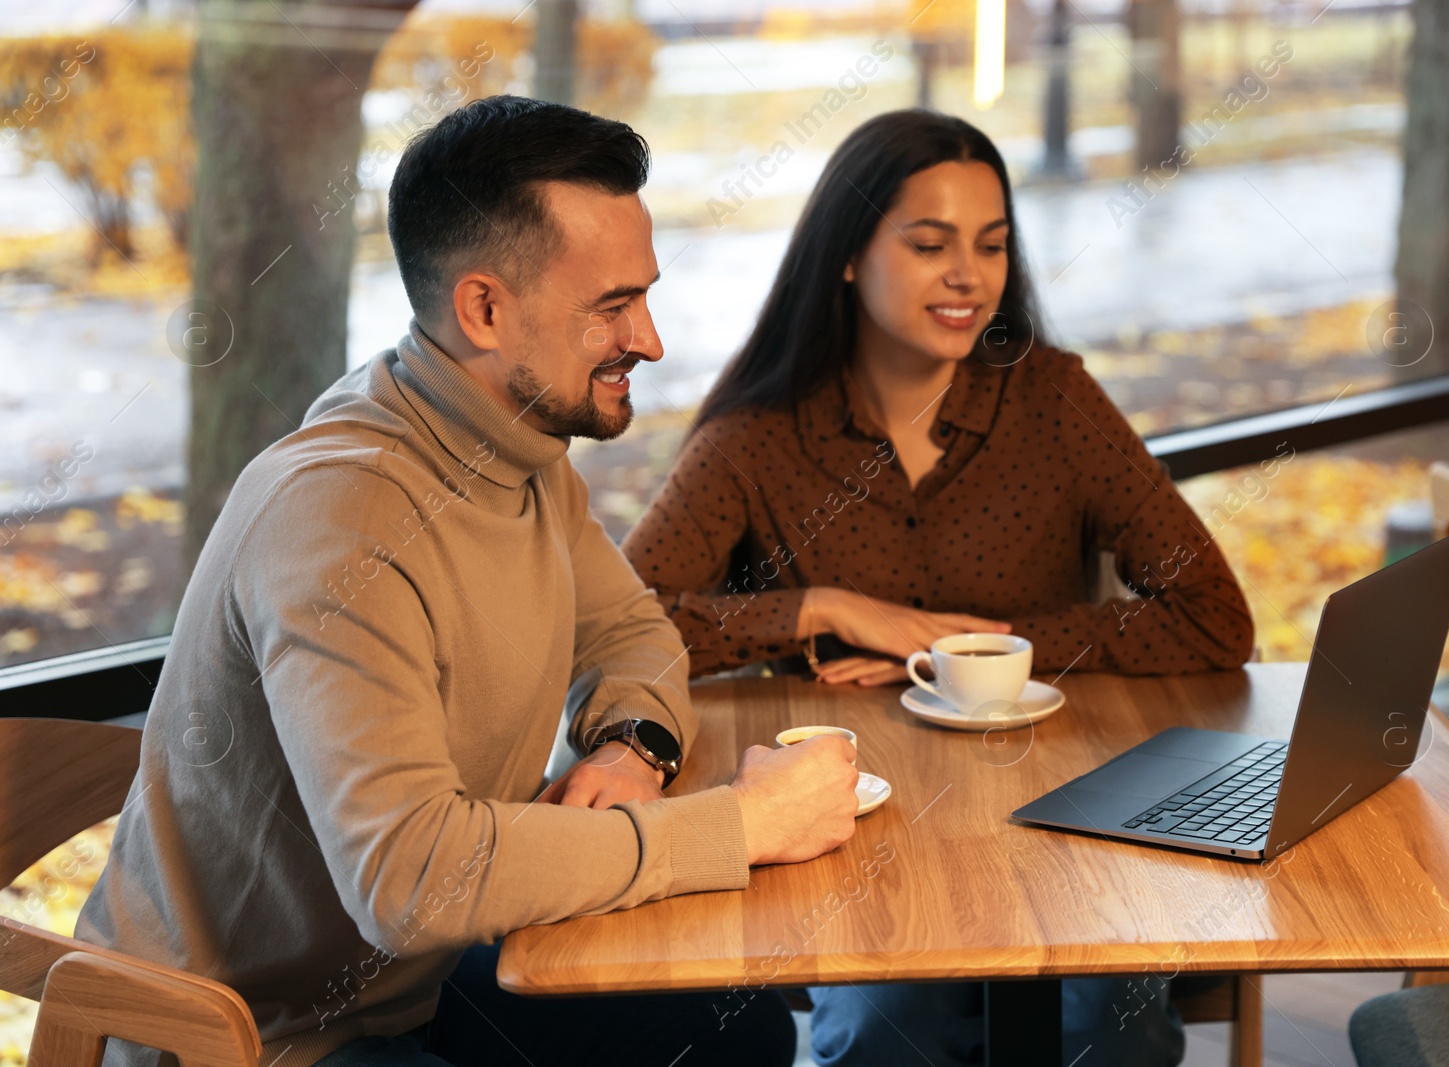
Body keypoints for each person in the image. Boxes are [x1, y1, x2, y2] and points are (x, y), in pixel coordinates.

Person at [75, 96, 860, 1067]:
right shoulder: (341, 515)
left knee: (731, 1036)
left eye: (643, 296)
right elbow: (411, 877)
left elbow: (633, 636)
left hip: (400, 983)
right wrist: (740, 823)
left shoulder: (518, 451)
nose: (650, 341)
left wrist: (631, 748)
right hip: (242, 1035)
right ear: (484, 308)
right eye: (612, 306)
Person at [623, 109, 1256, 1066]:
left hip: (1064, 814)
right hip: (866, 835)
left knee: (1104, 1034)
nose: (969, 275)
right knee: (890, 1034)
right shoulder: (759, 436)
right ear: (847, 255)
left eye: (992, 245)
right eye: (929, 244)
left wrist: (991, 648)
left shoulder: (1055, 399)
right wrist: (826, 610)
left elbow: (1215, 618)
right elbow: (627, 631)